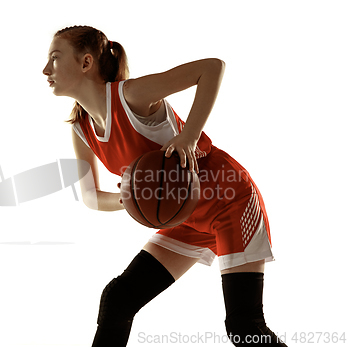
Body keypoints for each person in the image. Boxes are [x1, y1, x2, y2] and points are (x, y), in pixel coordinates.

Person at [43, 25, 287, 347]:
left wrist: (190, 135)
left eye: (55, 58)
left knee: (245, 326)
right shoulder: (81, 128)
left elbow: (211, 67)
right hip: (183, 217)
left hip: (229, 200)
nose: (46, 70)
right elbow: (89, 197)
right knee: (118, 300)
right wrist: (128, 197)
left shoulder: (131, 97)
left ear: (86, 63)